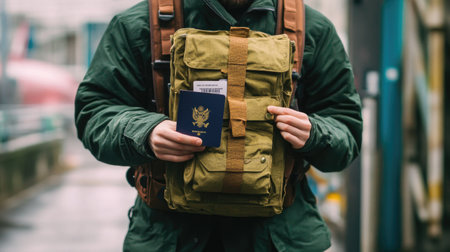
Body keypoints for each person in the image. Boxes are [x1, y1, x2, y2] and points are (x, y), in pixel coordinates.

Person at [74, 0, 362, 251]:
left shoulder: (310, 28)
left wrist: (314, 133)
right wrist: (146, 132)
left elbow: (346, 130)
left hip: (278, 238)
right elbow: (95, 113)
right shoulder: (139, 25)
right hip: (169, 237)